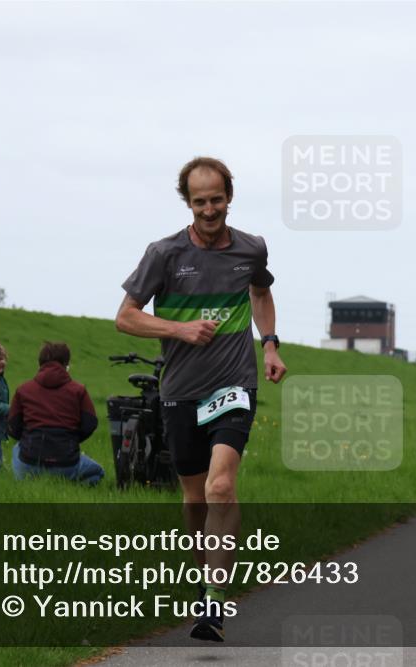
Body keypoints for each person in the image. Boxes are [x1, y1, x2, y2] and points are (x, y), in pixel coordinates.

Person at [115, 157, 286, 643]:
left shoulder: (252, 248)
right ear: (187, 203)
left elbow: (260, 293)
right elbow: (126, 317)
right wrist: (179, 329)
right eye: (199, 202)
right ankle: (204, 577)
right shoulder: (164, 254)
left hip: (234, 384)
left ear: (229, 197)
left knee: (220, 487)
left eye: (216, 199)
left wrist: (269, 344)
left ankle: (214, 599)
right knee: (193, 497)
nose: (209, 210)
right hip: (181, 391)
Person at [8, 341, 104, 485]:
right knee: (97, 472)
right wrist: (72, 439)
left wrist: (28, 437)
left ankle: (25, 483)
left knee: (17, 448)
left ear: (40, 363)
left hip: (30, 461)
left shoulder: (23, 389)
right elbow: (90, 423)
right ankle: (72, 488)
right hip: (67, 462)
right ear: (66, 364)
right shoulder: (78, 390)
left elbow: (12, 426)